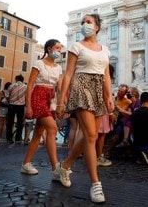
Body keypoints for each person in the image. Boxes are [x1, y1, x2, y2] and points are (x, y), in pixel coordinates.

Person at [56, 13, 114, 203]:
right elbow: (68, 74)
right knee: (90, 135)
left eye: (88, 22)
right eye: (82, 22)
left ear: (97, 27)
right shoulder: (76, 46)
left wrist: (109, 96)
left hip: (98, 89)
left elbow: (106, 75)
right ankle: (96, 184)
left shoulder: (105, 49)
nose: (84, 25)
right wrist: (61, 100)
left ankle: (64, 166)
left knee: (92, 136)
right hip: (81, 87)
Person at [21, 39, 64, 178]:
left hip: (50, 99)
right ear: (49, 48)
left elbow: (61, 88)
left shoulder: (59, 68)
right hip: (38, 96)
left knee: (39, 132)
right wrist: (28, 106)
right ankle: (55, 168)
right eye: (57, 48)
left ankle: (26, 164)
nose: (60, 51)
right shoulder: (38, 63)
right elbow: (30, 85)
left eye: (60, 48)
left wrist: (61, 104)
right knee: (52, 129)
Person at [6, 75, 27, 144]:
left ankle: (9, 138)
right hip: (21, 106)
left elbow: (7, 95)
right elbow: (27, 96)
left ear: (16, 79)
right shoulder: (25, 86)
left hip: (12, 105)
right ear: (22, 80)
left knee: (10, 122)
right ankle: (18, 138)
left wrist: (10, 100)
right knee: (20, 123)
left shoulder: (11, 86)